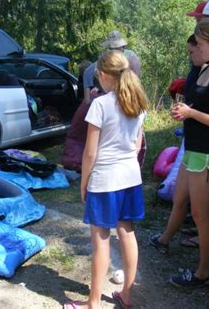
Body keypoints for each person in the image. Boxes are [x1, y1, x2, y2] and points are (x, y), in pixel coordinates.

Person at [150, 18, 209, 288]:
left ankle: (203, 274)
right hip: (193, 147)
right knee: (181, 199)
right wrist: (185, 113)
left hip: (208, 153)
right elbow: (201, 105)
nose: (198, 48)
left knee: (202, 216)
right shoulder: (206, 67)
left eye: (201, 43)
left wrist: (191, 113)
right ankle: (165, 240)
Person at [64, 50, 148, 309]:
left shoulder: (99, 104)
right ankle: (126, 294)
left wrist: (83, 182)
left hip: (105, 181)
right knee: (127, 234)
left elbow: (90, 152)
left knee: (100, 242)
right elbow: (136, 147)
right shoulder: (139, 102)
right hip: (131, 179)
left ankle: (92, 303)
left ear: (101, 75)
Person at [81, 31, 141, 105]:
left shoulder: (131, 57)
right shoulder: (109, 58)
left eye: (115, 48)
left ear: (122, 47)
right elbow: (90, 71)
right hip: (112, 95)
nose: (112, 50)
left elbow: (135, 81)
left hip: (127, 96)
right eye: (111, 48)